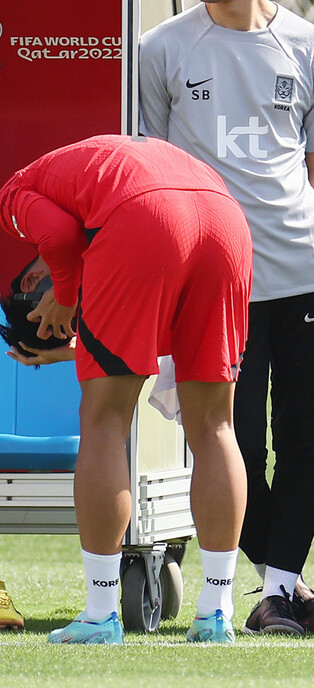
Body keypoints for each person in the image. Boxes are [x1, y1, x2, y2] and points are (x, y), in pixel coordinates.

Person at [0, 134, 252, 644]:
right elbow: (152, 349)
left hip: (149, 216)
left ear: (30, 285)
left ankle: (99, 614)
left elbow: (62, 239)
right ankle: (216, 612)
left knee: (104, 421)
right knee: (215, 424)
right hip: (224, 217)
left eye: (58, 323)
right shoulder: (80, 185)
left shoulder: (12, 194)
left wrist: (66, 297)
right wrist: (71, 341)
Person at [139, 0, 314, 635]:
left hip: (303, 272)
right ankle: (286, 584)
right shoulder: (161, 48)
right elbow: (152, 173)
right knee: (226, 441)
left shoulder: (306, 42)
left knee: (305, 437)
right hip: (214, 281)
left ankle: (274, 592)